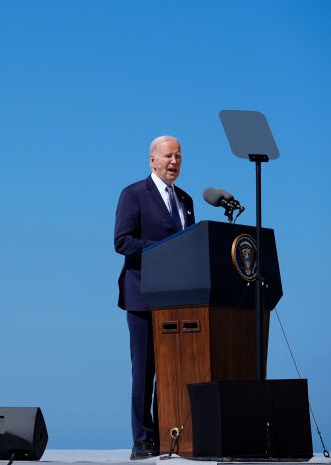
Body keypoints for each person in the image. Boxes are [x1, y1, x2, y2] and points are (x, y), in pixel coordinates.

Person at [114, 135, 194, 460]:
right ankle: (142, 439)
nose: (174, 161)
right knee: (144, 371)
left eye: (178, 156)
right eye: (168, 156)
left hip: (177, 298)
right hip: (142, 295)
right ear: (152, 160)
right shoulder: (133, 194)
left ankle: (165, 433)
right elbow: (122, 242)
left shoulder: (185, 199)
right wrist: (161, 250)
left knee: (171, 370)